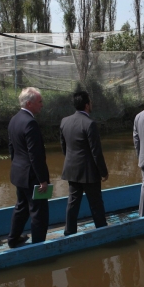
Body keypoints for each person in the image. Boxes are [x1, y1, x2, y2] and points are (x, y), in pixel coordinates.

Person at [60, 91, 109, 235]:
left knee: (73, 202)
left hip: (72, 170)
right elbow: (96, 152)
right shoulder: (89, 124)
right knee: (96, 203)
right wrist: (103, 172)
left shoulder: (65, 121)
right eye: (91, 102)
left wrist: (71, 162)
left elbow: (64, 147)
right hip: (89, 172)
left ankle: (69, 231)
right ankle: (101, 230)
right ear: (87, 105)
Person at [8, 87, 50, 247]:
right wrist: (43, 180)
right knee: (39, 212)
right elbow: (36, 155)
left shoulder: (14, 119)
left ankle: (13, 239)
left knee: (21, 207)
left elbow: (12, 148)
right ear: (29, 103)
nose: (42, 105)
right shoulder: (30, 123)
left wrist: (17, 167)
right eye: (40, 102)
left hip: (19, 174)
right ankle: (38, 246)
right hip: (32, 176)